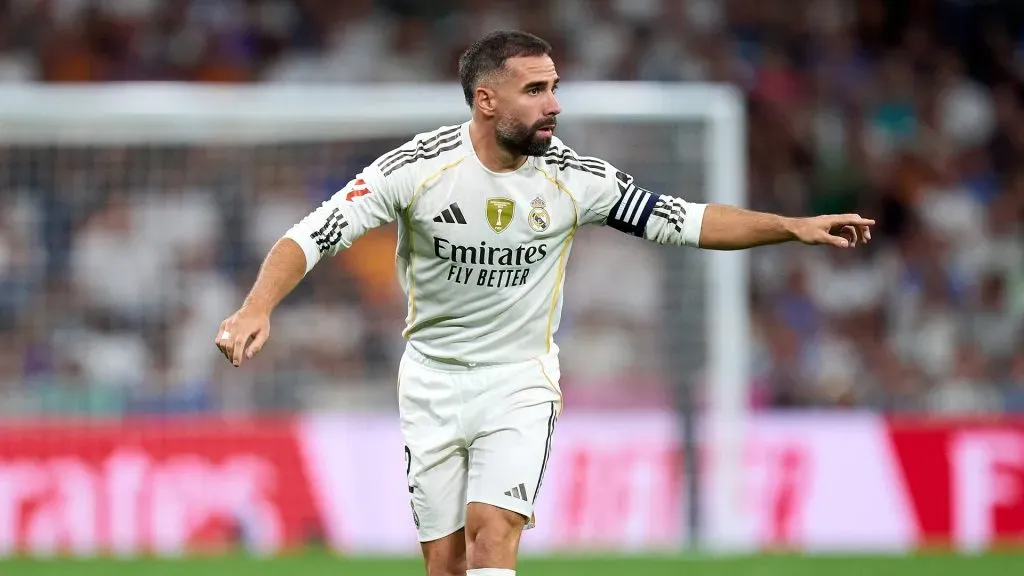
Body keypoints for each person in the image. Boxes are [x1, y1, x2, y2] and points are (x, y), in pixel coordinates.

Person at [214, 30, 873, 576]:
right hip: (431, 380)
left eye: (555, 86)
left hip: (520, 379)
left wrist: (792, 226)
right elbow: (312, 234)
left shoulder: (574, 179)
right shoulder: (416, 170)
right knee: (444, 564)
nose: (553, 103)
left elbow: (687, 220)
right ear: (486, 100)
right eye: (536, 90)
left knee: (493, 533)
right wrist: (257, 308)